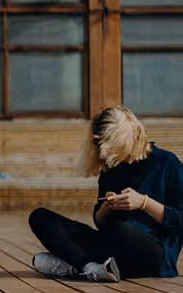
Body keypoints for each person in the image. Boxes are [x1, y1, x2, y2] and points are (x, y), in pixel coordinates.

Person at [29, 105, 183, 283]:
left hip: (155, 253)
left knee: (120, 229)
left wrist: (144, 203)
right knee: (40, 217)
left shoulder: (167, 163)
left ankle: (74, 266)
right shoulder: (112, 166)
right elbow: (100, 222)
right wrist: (105, 209)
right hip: (112, 245)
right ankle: (90, 268)